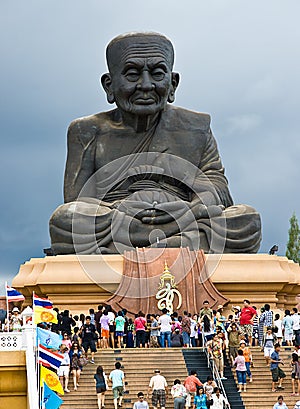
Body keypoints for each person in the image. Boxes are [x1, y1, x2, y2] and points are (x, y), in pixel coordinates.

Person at [49, 31, 261, 256]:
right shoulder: (87, 131)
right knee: (66, 220)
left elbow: (218, 190)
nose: (146, 85)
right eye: (132, 74)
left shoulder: (195, 127)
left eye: (158, 74)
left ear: (173, 83)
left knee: (246, 219)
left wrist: (184, 210)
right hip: (119, 222)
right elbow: (78, 201)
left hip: (182, 219)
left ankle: (137, 248)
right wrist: (124, 211)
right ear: (109, 86)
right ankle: (174, 246)